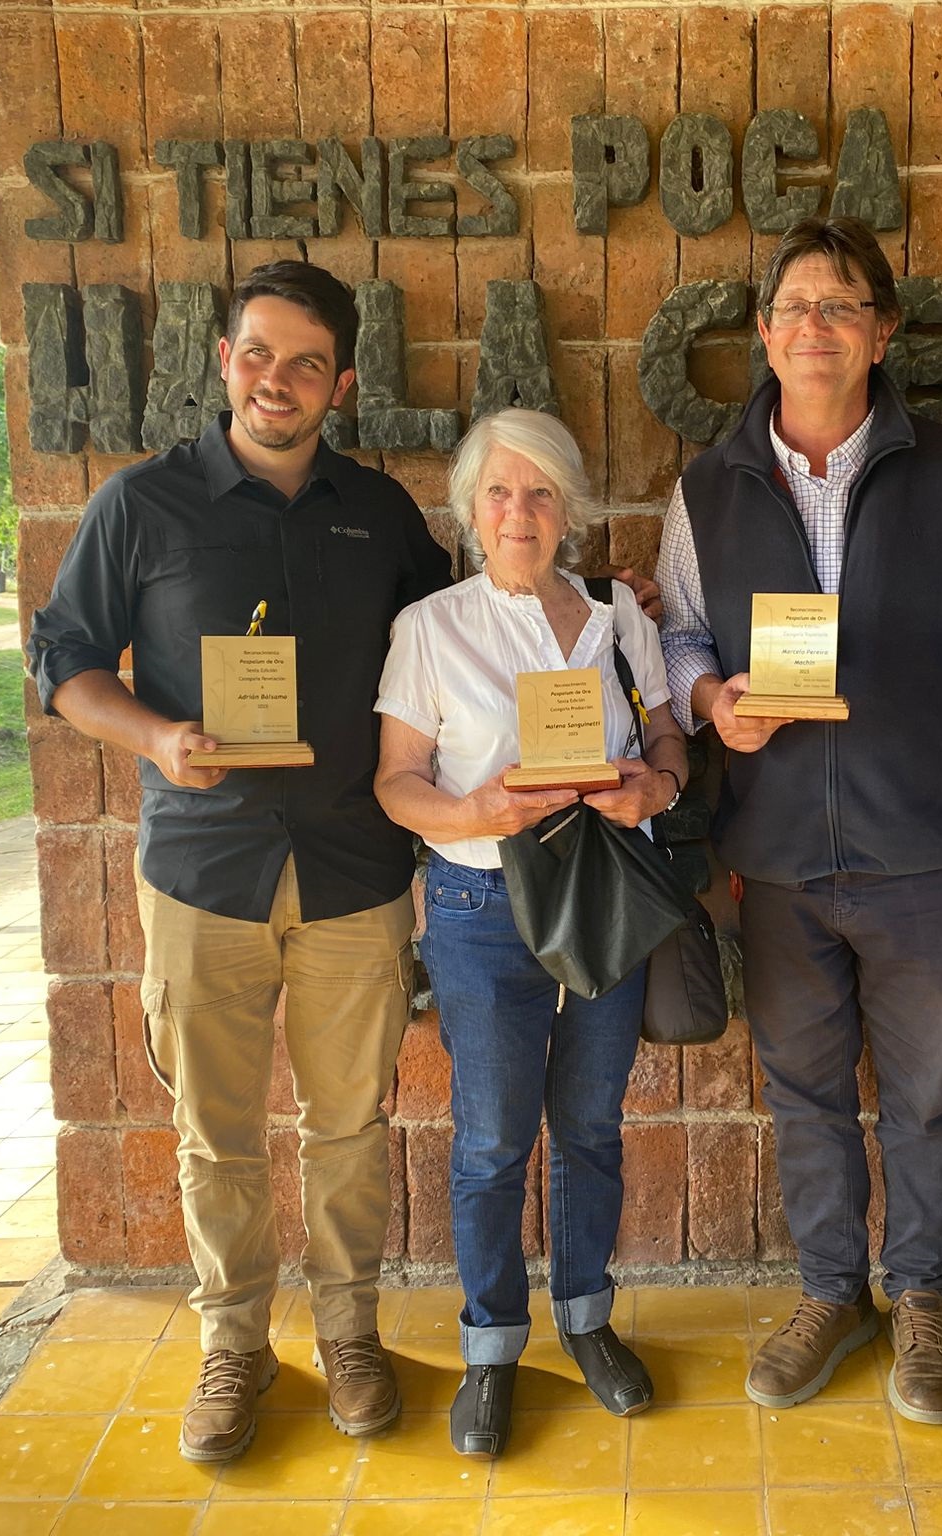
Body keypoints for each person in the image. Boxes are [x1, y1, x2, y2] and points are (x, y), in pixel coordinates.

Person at [25, 261, 656, 1465]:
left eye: (306, 362)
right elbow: (61, 664)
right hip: (203, 870)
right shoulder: (140, 505)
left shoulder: (378, 517)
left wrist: (604, 598)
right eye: (259, 354)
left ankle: (352, 1334)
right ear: (223, 362)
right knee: (215, 1129)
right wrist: (156, 735)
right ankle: (233, 1345)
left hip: (351, 876)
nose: (279, 380)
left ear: (341, 382)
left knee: (349, 1124)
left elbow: (490, 608)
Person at [656, 216, 942, 1426]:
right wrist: (709, 703)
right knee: (802, 1094)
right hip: (778, 854)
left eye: (841, 305)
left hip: (921, 846)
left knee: (924, 1097)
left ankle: (917, 1300)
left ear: (881, 331)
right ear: (763, 333)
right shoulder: (708, 484)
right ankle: (828, 1294)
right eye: (794, 305)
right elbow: (681, 635)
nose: (815, 326)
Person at [374, 408, 689, 1459]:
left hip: (599, 888)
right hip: (480, 905)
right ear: (470, 510)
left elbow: (665, 738)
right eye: (500, 493)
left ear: (570, 510)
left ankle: (588, 1321)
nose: (520, 512)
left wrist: (654, 786)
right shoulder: (431, 626)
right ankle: (492, 1347)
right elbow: (396, 783)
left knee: (591, 1125)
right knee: (494, 1140)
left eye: (541, 492)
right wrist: (476, 815)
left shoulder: (615, 614)